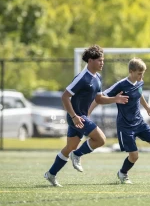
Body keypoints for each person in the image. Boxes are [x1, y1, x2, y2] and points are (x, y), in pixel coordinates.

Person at [44, 45, 129, 187]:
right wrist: (74, 117)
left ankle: (51, 174)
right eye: (99, 60)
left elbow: (99, 99)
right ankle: (77, 155)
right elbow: (65, 97)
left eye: (103, 60)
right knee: (100, 139)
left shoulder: (98, 78)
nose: (102, 63)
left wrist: (115, 99)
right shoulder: (82, 77)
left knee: (69, 147)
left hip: (81, 117)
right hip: (77, 118)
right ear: (90, 61)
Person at [88, 58, 150, 184]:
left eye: (143, 73)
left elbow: (139, 92)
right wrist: (89, 113)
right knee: (134, 156)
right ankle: (122, 173)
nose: (141, 76)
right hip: (125, 126)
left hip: (140, 123)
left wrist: (147, 107)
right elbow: (99, 98)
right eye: (139, 73)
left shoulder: (139, 82)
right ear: (131, 72)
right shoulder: (121, 85)